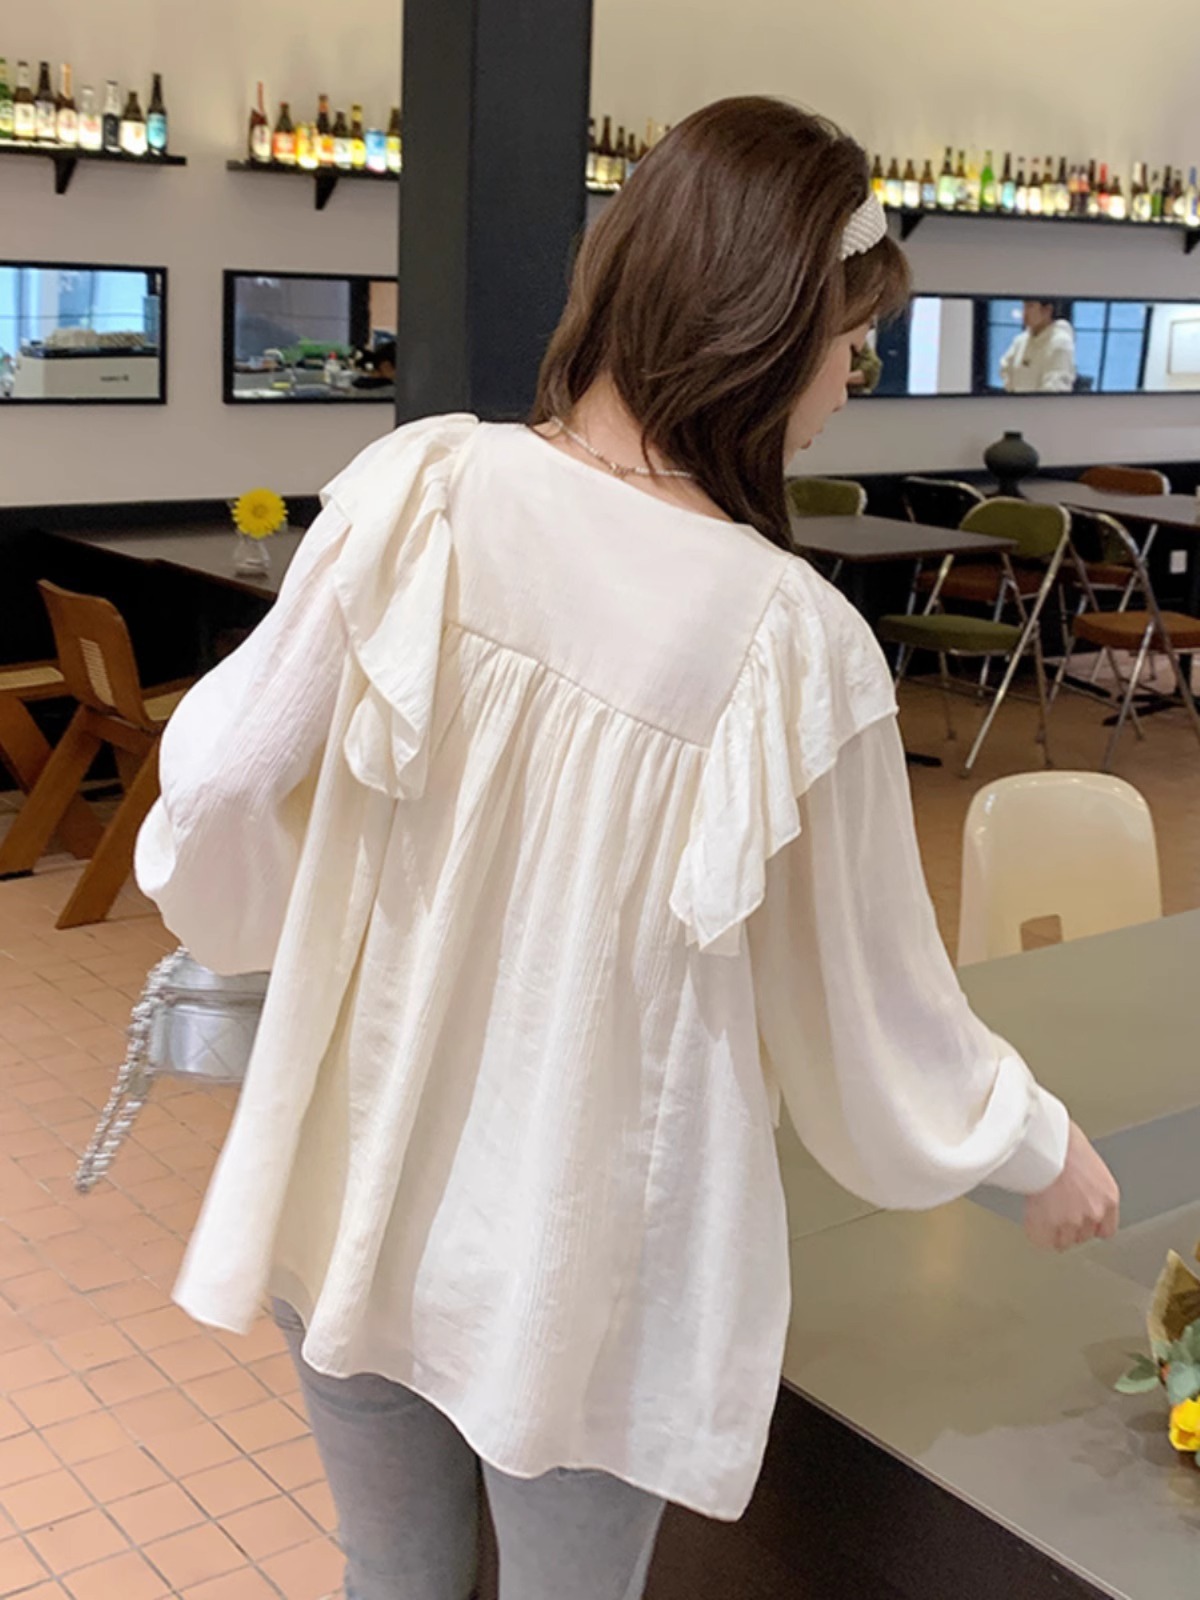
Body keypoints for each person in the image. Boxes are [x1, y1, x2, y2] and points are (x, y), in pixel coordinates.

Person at [134, 98, 1119, 1600]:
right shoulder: (791, 645)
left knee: (390, 1575)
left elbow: (211, 783)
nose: (851, 379)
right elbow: (872, 1018)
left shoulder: (424, 489)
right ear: (767, 328)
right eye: (848, 339)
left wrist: (285, 940)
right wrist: (1038, 1146)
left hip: (350, 1190)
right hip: (574, 1277)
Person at [1000, 298, 1077, 392]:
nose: (1025, 313)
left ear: (1047, 310)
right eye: (1024, 306)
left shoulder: (1061, 343)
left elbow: (1055, 387)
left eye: (1030, 306)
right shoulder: (1020, 340)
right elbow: (1005, 368)